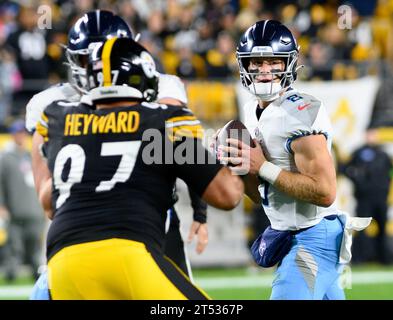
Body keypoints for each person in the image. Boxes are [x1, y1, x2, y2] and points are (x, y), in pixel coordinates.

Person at [36, 37, 243, 299]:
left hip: (62, 262)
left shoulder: (59, 118)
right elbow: (227, 196)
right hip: (127, 253)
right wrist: (240, 161)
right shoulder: (162, 122)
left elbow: (48, 201)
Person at [219, 20, 370, 300]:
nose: (264, 70)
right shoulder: (252, 111)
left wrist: (261, 165)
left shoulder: (301, 112)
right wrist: (241, 169)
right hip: (294, 233)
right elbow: (264, 195)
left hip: (314, 236)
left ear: (288, 64)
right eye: (256, 62)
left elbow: (325, 192)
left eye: (273, 62)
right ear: (244, 66)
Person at [0, 119, 45, 281]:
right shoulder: (6, 158)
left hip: (33, 207)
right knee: (14, 244)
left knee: (34, 243)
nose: (20, 136)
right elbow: (1, 182)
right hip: (15, 208)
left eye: (22, 133)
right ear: (12, 135)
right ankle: (11, 272)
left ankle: (35, 271)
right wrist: (2, 205)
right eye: (17, 133)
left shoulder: (31, 155)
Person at [342, 129, 392, 264]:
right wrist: (357, 179)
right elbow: (344, 168)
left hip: (380, 198)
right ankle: (360, 258)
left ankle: (384, 259)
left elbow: (389, 172)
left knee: (382, 228)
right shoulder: (359, 152)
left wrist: (385, 186)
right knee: (362, 228)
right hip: (364, 198)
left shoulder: (383, 154)